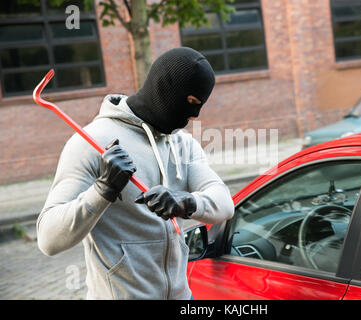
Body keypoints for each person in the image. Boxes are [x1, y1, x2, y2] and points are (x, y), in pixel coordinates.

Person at [36, 47, 235, 300]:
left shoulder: (182, 144)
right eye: (192, 103)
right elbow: (48, 239)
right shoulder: (90, 142)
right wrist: (103, 190)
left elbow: (224, 204)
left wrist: (184, 202)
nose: (195, 116)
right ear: (165, 89)